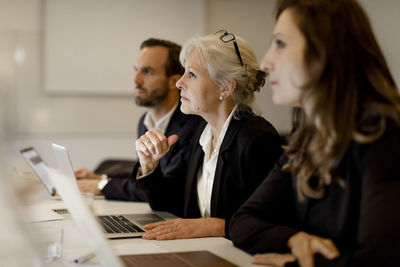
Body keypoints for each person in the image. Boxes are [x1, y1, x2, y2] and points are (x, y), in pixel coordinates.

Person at [229, 0, 400, 266]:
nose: (266, 62)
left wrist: (292, 264)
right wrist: (293, 239)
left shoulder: (385, 138)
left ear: (326, 52)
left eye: (280, 44)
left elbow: (381, 259)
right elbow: (242, 221)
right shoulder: (306, 142)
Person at [133, 31, 283, 240]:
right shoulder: (201, 136)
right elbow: (172, 206)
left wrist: (220, 226)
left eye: (191, 74)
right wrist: (149, 166)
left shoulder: (257, 140)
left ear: (226, 87)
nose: (179, 83)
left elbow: (275, 221)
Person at [75, 38, 202, 201]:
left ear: (173, 82)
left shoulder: (193, 125)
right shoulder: (145, 121)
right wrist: (100, 178)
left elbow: (165, 190)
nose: (136, 80)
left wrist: (101, 186)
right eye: (136, 70)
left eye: (147, 71)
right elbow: (145, 175)